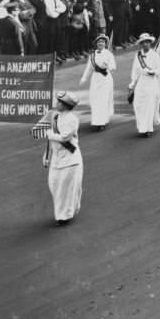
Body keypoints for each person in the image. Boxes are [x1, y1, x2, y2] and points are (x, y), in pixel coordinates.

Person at [42, 91, 83, 226]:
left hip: (70, 160)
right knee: (53, 184)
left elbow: (64, 137)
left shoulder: (72, 119)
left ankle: (64, 216)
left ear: (65, 105)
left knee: (65, 188)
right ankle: (64, 211)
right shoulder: (55, 117)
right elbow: (50, 141)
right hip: (56, 159)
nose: (56, 103)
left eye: (59, 102)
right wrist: (46, 156)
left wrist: (49, 134)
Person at [79, 33, 116, 131]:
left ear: (105, 44)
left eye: (102, 42)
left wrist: (107, 66)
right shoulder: (92, 55)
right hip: (95, 79)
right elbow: (89, 68)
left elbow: (113, 67)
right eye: (99, 42)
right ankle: (97, 120)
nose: (101, 43)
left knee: (103, 100)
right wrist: (84, 78)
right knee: (95, 100)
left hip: (105, 79)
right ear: (96, 44)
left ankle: (101, 122)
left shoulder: (108, 54)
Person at [128, 33, 160, 136]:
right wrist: (133, 82)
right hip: (141, 82)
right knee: (138, 104)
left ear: (150, 43)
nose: (145, 44)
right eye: (143, 43)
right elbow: (135, 70)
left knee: (149, 105)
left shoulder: (154, 55)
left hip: (151, 82)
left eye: (147, 42)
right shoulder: (138, 55)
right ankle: (141, 126)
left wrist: (153, 72)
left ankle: (147, 128)